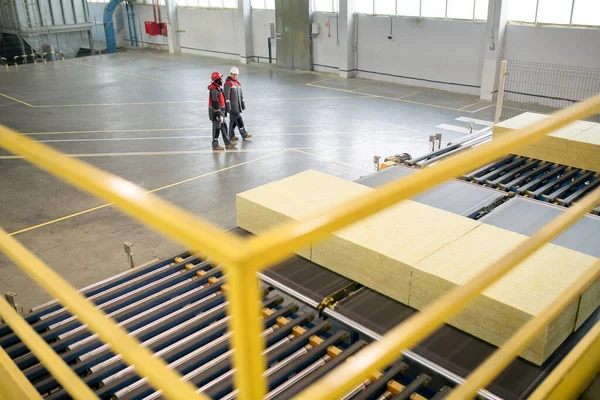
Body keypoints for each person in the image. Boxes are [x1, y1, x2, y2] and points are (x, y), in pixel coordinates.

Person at [208, 72, 236, 150]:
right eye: (220, 79)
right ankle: (215, 144)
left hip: (221, 112)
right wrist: (218, 114)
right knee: (216, 128)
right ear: (216, 80)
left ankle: (227, 142)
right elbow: (215, 103)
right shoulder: (214, 90)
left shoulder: (218, 88)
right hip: (216, 113)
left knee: (223, 127)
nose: (221, 80)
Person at [224, 67, 252, 141]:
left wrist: (242, 104)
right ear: (231, 74)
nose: (235, 76)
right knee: (239, 119)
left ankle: (231, 135)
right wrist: (228, 107)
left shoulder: (237, 83)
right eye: (234, 75)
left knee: (233, 121)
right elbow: (226, 96)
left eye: (236, 75)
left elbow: (241, 94)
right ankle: (244, 134)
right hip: (233, 107)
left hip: (237, 105)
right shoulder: (228, 83)